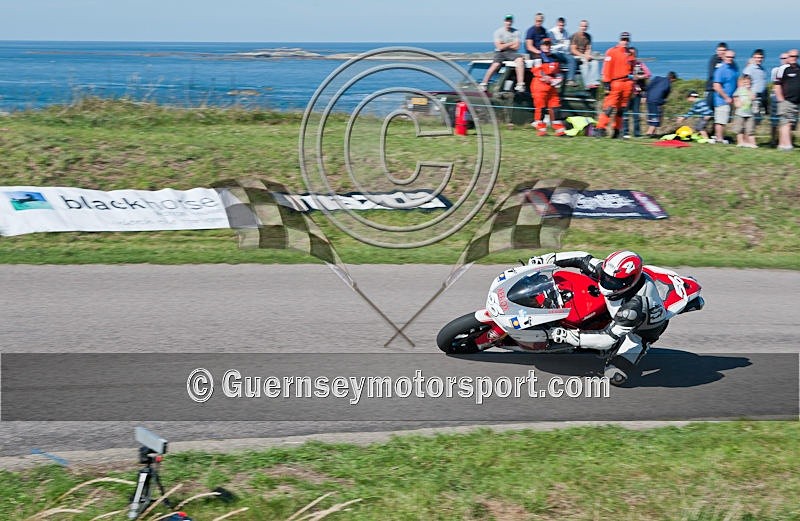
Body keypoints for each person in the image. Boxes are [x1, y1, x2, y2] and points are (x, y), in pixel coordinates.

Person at [528, 250, 669, 386]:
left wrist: (567, 336)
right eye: (606, 276)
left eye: (613, 281)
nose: (607, 282)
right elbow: (582, 258)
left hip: (638, 331)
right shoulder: (610, 274)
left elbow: (606, 339)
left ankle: (641, 347)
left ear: (630, 281)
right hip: (614, 308)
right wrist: (547, 259)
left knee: (614, 376)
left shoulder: (633, 308)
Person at [594, 32, 634, 139]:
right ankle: (600, 128)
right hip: (615, 82)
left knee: (621, 109)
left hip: (627, 83)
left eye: (626, 40)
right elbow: (607, 68)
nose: (625, 42)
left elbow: (632, 69)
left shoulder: (630, 53)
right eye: (623, 39)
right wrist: (606, 83)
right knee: (609, 107)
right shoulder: (612, 52)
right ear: (619, 40)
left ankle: (617, 131)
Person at [480, 14, 526, 93]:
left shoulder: (516, 32)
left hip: (511, 53)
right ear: (504, 21)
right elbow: (499, 47)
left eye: (510, 21)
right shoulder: (498, 32)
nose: (508, 23)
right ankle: (484, 83)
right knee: (496, 64)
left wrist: (504, 44)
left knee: (520, 60)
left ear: (512, 22)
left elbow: (517, 47)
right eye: (507, 21)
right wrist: (511, 43)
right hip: (500, 53)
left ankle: (520, 84)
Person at [530, 38, 566, 137]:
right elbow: (538, 71)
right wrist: (549, 79)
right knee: (540, 108)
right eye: (545, 45)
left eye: (549, 45)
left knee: (556, 107)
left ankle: (559, 130)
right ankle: (541, 130)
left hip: (552, 87)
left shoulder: (555, 58)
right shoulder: (537, 57)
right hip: (539, 86)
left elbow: (558, 72)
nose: (547, 47)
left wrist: (559, 79)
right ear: (541, 46)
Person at [774, 49, 800, 151]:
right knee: (786, 123)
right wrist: (781, 100)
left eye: (796, 56)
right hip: (786, 101)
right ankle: (788, 146)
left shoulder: (798, 68)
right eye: (792, 56)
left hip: (796, 102)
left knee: (790, 124)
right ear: (788, 57)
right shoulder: (783, 69)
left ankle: (782, 145)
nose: (794, 58)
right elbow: (777, 85)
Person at [622, 47, 651, 138]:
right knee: (625, 114)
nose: (631, 55)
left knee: (636, 114)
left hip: (636, 93)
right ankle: (625, 133)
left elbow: (648, 74)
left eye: (633, 54)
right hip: (626, 92)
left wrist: (639, 77)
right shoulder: (623, 64)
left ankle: (637, 133)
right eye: (630, 53)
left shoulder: (640, 64)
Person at [712, 49, 739, 144]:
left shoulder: (734, 68)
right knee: (720, 120)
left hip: (731, 99)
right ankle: (719, 138)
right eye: (728, 57)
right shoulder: (720, 70)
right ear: (723, 57)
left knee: (725, 120)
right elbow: (716, 86)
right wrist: (726, 97)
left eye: (732, 57)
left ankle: (721, 137)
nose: (730, 59)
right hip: (721, 99)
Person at [643, 72, 678, 137]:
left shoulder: (657, 78)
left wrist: (644, 96)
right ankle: (649, 133)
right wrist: (662, 103)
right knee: (655, 117)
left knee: (651, 115)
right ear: (672, 79)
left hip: (649, 99)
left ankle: (652, 133)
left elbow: (649, 87)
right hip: (657, 101)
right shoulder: (668, 85)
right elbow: (664, 97)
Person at [569, 20, 600, 89]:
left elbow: (588, 48)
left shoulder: (588, 36)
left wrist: (587, 55)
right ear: (579, 26)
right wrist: (583, 56)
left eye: (585, 26)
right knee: (585, 64)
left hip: (584, 55)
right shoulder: (575, 36)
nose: (584, 28)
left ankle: (594, 81)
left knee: (595, 63)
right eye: (582, 26)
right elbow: (573, 50)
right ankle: (587, 84)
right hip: (576, 56)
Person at [742, 49, 768, 126]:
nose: (759, 59)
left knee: (757, 121)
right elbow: (743, 82)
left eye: (760, 57)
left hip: (760, 98)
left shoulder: (763, 69)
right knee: (751, 120)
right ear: (753, 58)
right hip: (752, 97)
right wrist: (748, 94)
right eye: (756, 57)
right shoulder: (749, 69)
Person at [549, 17, 577, 86]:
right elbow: (552, 45)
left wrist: (560, 44)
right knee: (555, 54)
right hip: (554, 52)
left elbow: (567, 45)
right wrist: (561, 44)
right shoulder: (552, 32)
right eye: (560, 25)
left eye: (563, 25)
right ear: (557, 24)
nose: (561, 27)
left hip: (563, 53)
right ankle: (557, 78)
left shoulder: (566, 33)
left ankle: (570, 79)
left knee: (571, 59)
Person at [770, 53, 790, 147]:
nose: (784, 59)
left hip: (787, 98)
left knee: (785, 121)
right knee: (774, 121)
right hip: (776, 98)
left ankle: (783, 141)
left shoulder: (792, 71)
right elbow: (775, 84)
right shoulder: (776, 70)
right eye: (782, 58)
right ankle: (773, 140)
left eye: (785, 58)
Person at [732, 75, 757, 147]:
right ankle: (740, 142)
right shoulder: (739, 90)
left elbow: (753, 97)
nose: (746, 84)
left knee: (750, 129)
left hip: (749, 113)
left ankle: (752, 143)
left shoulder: (752, 90)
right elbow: (735, 97)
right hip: (740, 113)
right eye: (745, 82)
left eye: (748, 82)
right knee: (739, 128)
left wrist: (748, 90)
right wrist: (737, 103)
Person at [705, 43, 728, 110]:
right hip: (711, 89)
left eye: (723, 50)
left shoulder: (728, 61)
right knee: (709, 110)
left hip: (723, 90)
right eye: (719, 50)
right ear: (716, 51)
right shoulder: (714, 59)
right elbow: (712, 74)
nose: (721, 52)